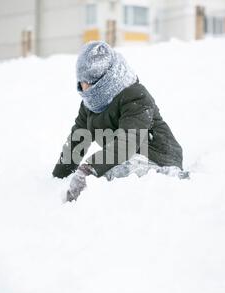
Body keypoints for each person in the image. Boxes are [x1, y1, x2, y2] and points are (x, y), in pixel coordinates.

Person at [52, 41, 185, 202]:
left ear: (104, 79)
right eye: (81, 81)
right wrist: (58, 177)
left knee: (110, 175)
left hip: (158, 156)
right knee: (110, 172)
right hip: (125, 157)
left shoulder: (136, 96)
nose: (84, 87)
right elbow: (78, 138)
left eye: (89, 82)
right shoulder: (91, 103)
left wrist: (89, 169)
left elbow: (126, 143)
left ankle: (172, 177)